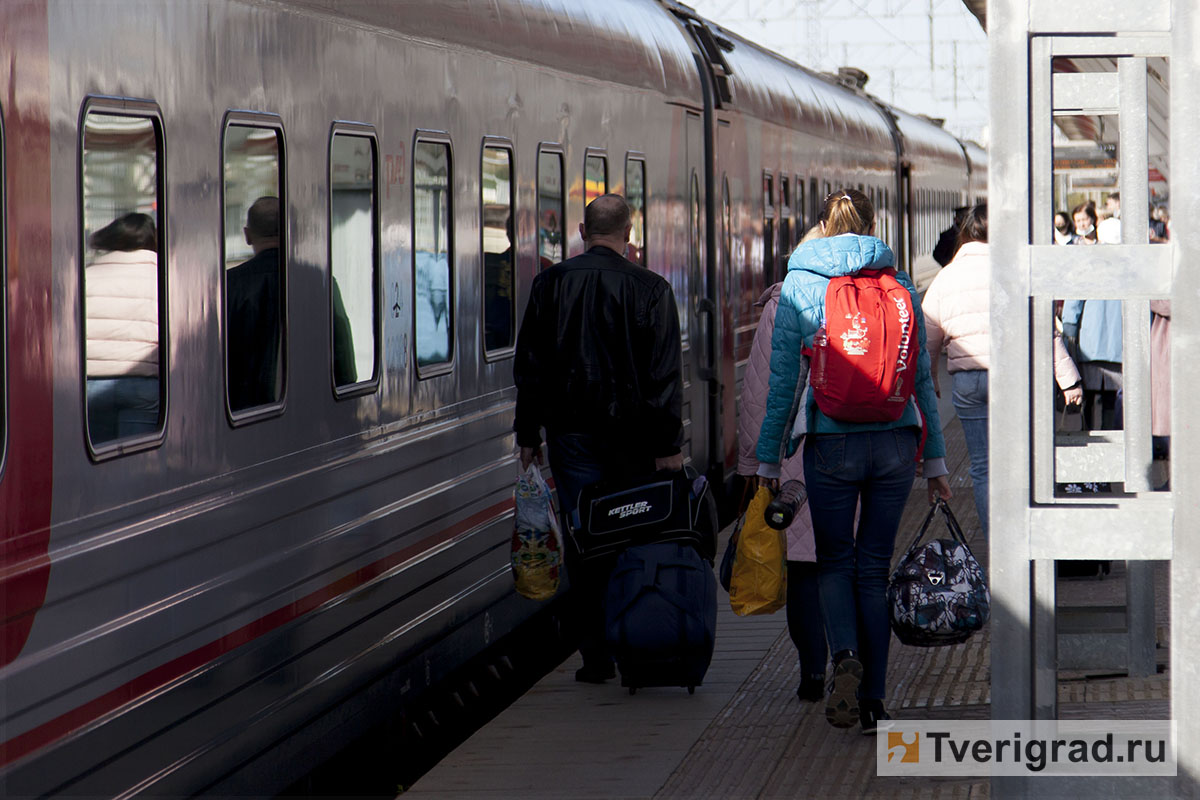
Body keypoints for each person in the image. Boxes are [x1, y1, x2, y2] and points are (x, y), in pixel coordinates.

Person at [755, 188, 950, 735]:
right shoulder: (898, 282)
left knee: (834, 563)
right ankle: (876, 702)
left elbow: (782, 385)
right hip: (893, 443)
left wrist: (770, 459)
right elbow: (921, 385)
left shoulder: (800, 284)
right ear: (871, 224)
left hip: (831, 442)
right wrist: (934, 462)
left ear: (821, 225)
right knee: (874, 570)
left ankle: (842, 656)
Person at [513, 193, 684, 684]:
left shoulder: (549, 285)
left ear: (582, 232)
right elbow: (664, 377)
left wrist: (529, 433)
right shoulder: (652, 289)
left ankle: (594, 657)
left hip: (571, 441)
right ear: (629, 235)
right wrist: (668, 445)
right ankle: (635, 641)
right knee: (633, 536)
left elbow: (531, 369)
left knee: (583, 539)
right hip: (633, 444)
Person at [923, 205, 1084, 537]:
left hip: (968, 382)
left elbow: (928, 339)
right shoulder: (1014, 270)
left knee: (982, 468)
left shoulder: (946, 276)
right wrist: (1068, 379)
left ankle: (997, 543)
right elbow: (1044, 329)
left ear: (965, 234)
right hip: (1013, 379)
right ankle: (1025, 537)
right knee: (1021, 462)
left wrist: (930, 379)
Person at [738, 224, 827, 704]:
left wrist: (755, 461)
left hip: (798, 450)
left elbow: (762, 390)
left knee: (806, 567)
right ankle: (857, 662)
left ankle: (814, 672)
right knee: (857, 564)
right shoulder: (885, 288)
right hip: (868, 447)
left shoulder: (786, 300)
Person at [85, 212, 160, 442]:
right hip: (144, 386)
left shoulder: (85, 276)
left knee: (96, 465)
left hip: (91, 386)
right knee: (136, 462)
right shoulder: (164, 275)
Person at [227, 196, 283, 411]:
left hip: (242, 410)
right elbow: (343, 361)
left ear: (247, 235)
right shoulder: (320, 280)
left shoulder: (228, 284)